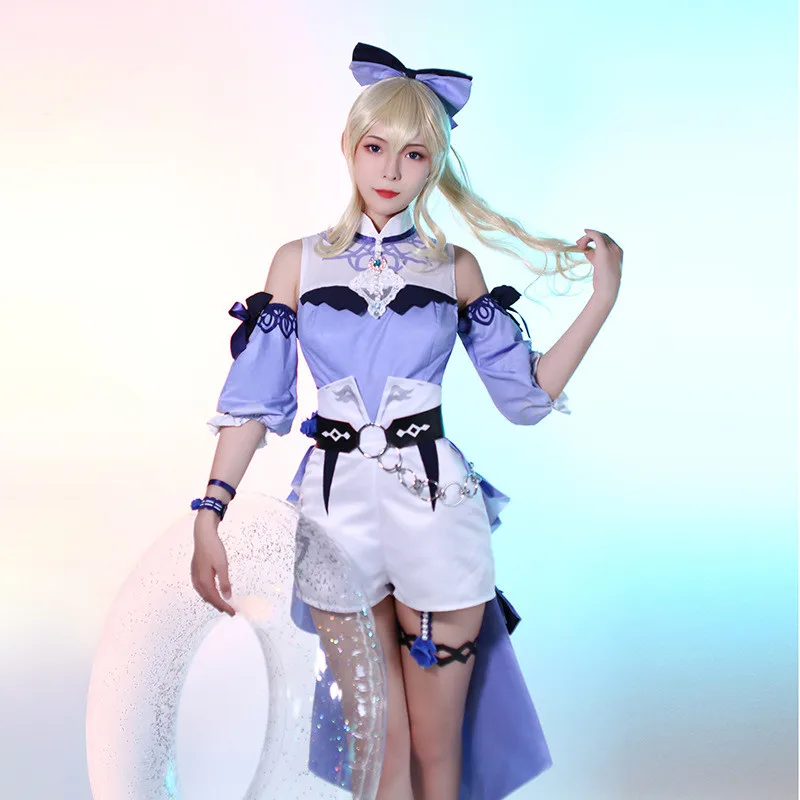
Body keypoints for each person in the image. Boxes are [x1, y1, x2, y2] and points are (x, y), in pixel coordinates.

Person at [191, 42, 623, 800]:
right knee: (378, 754)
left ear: (434, 166)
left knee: (437, 753)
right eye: (375, 147)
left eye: (414, 154)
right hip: (334, 517)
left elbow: (524, 399)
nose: (391, 170)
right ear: (348, 148)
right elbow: (255, 403)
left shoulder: (455, 269)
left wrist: (602, 298)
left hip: (436, 510)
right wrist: (210, 511)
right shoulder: (298, 262)